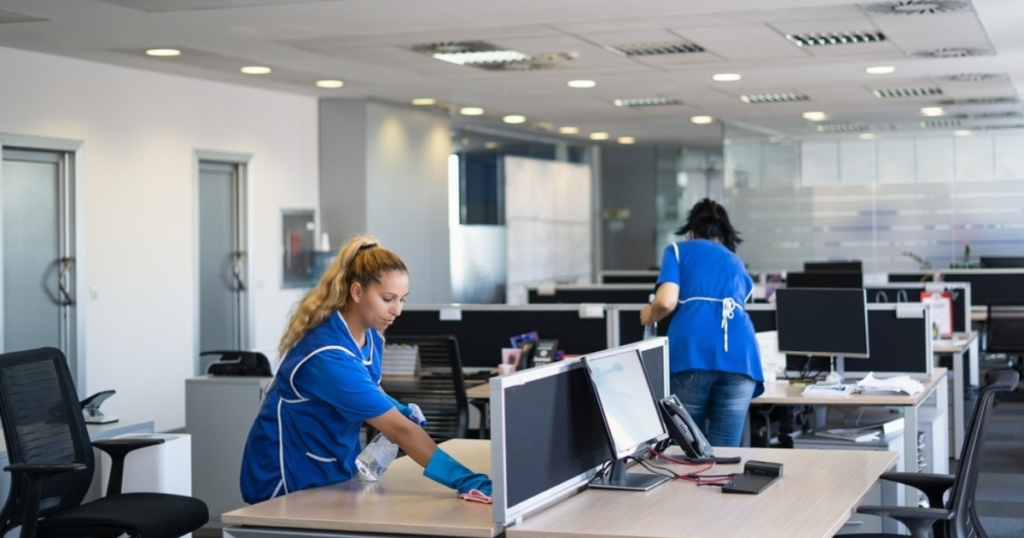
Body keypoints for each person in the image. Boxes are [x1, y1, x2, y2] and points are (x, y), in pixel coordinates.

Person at [240, 235, 490, 504]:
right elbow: (399, 430)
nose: (397, 310)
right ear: (357, 292)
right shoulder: (329, 357)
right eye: (388, 298)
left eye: (402, 299)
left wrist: (394, 406)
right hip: (288, 479)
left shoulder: (370, 336)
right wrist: (465, 479)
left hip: (333, 468)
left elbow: (366, 388)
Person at [640, 199, 763, 447]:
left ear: (692, 231)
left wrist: (649, 315)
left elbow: (666, 302)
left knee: (688, 448)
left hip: (693, 353)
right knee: (724, 451)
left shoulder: (678, 251)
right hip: (741, 358)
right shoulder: (735, 262)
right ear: (725, 234)